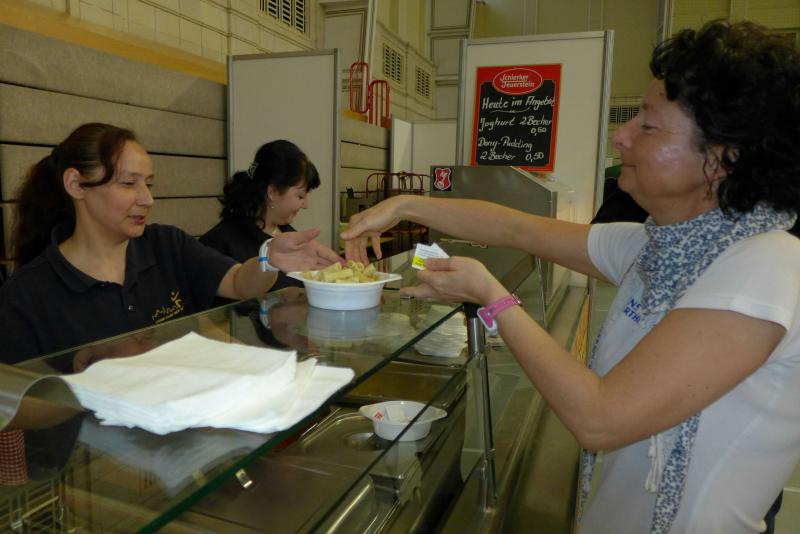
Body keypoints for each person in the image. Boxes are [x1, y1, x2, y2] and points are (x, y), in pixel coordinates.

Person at [342, 20, 800, 533]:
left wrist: (492, 296)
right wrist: (405, 204)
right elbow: (514, 226)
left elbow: (601, 418)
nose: (621, 136)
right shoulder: (655, 247)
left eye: (648, 125)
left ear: (723, 157)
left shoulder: (766, 265)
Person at [0, 123, 342, 365]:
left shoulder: (167, 245)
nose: (147, 199)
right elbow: (16, 409)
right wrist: (91, 373)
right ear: (76, 185)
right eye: (129, 184)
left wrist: (269, 258)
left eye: (148, 184)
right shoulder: (26, 295)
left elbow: (239, 281)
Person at [201, 140, 320, 291]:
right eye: (300, 196)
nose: (306, 205)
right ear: (273, 192)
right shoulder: (220, 244)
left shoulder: (291, 237)